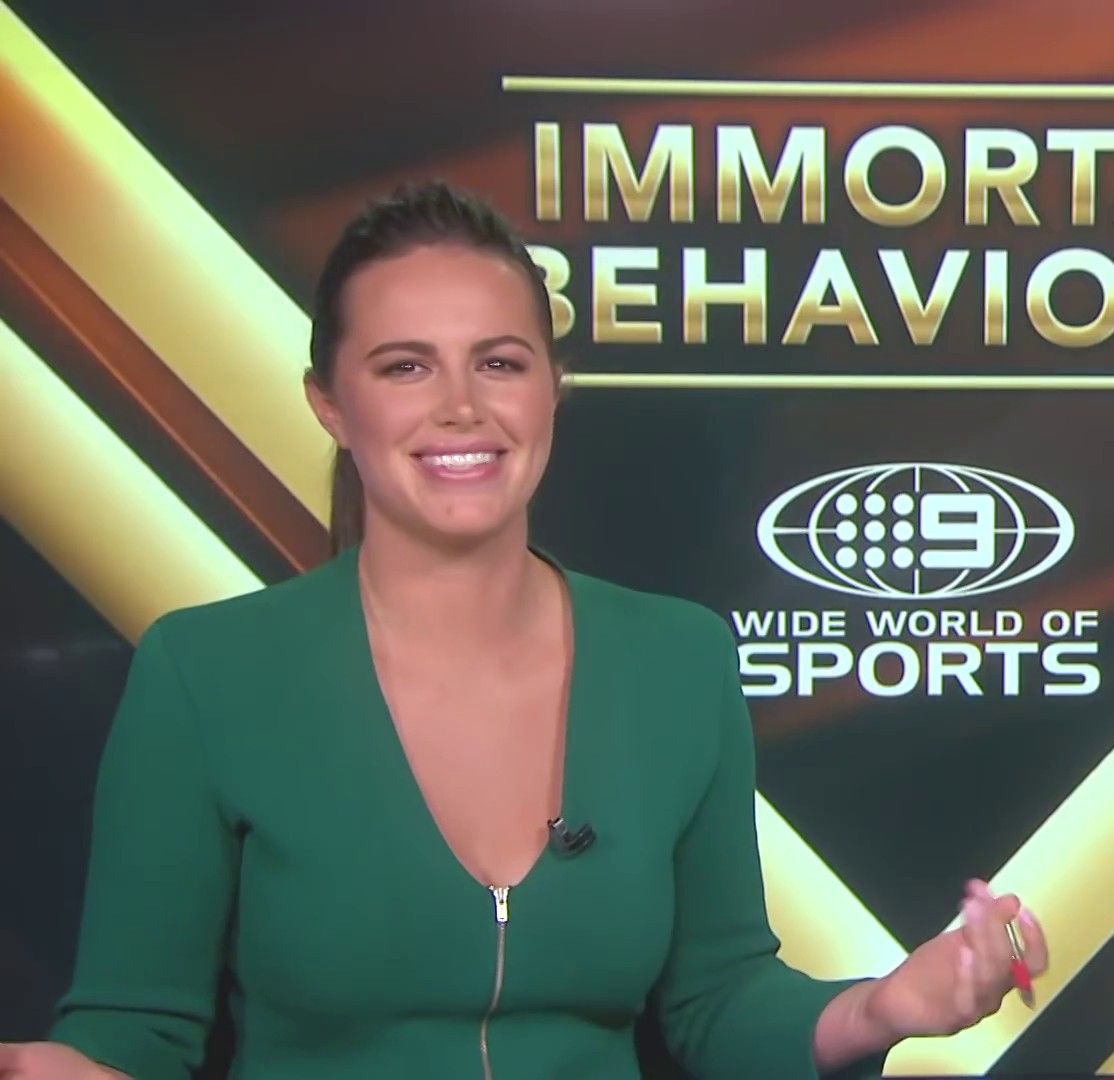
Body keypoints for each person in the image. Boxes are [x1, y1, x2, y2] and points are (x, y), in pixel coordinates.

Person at [0, 182, 1046, 1079]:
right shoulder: (207, 672)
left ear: (553, 387)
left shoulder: (677, 663)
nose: (462, 407)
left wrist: (886, 1006)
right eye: (405, 367)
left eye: (499, 363)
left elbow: (718, 1000)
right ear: (329, 404)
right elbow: (136, 1030)